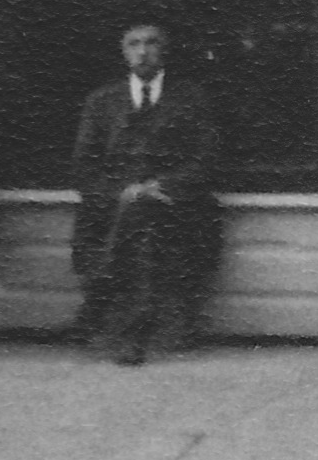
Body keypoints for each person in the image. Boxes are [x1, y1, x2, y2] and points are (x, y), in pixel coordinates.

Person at [68, 21, 223, 365]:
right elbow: (83, 166)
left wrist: (162, 186)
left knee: (142, 212)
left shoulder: (191, 97)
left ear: (164, 50)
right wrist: (121, 192)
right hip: (116, 204)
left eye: (151, 43)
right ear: (123, 52)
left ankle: (103, 302)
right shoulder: (103, 100)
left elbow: (206, 158)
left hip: (177, 203)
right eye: (134, 44)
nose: (143, 51)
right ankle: (132, 330)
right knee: (138, 217)